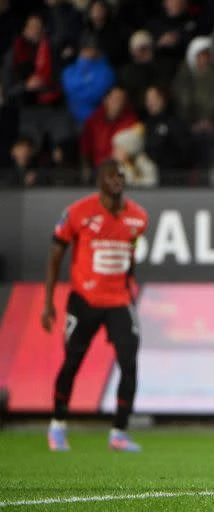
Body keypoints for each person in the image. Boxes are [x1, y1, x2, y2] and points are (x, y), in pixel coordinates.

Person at [42, 159, 149, 452]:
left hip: (119, 300)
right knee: (72, 362)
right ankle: (57, 424)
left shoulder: (139, 217)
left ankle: (119, 433)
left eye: (121, 176)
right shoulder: (78, 212)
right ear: (99, 181)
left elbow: (130, 254)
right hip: (84, 301)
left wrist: (129, 287)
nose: (117, 181)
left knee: (129, 362)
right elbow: (56, 255)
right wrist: (48, 302)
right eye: (111, 176)